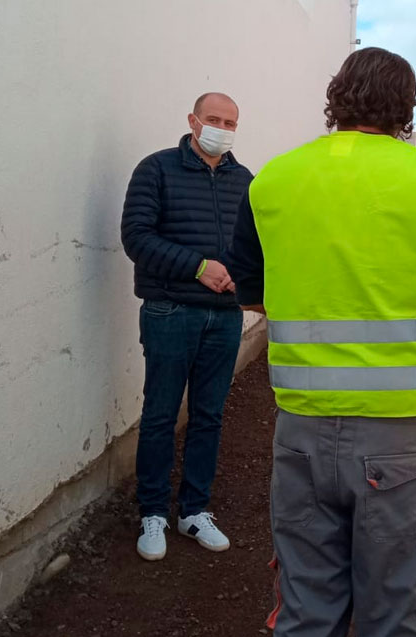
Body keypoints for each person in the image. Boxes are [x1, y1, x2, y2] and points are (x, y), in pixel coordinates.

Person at [226, 48, 416, 637]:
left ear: (336, 98)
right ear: (406, 107)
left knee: (304, 607)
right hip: (398, 439)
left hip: (300, 432)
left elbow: (250, 290)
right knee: (397, 616)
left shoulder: (274, 178)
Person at [120, 92, 252, 561]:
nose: (221, 127)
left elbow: (253, 242)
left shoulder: (244, 180)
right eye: (213, 119)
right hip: (170, 310)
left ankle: (194, 509)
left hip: (225, 315)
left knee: (209, 415)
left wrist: (242, 274)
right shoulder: (156, 170)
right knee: (160, 414)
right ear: (193, 121)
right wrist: (198, 267)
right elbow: (136, 237)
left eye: (230, 121)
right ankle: (152, 511)